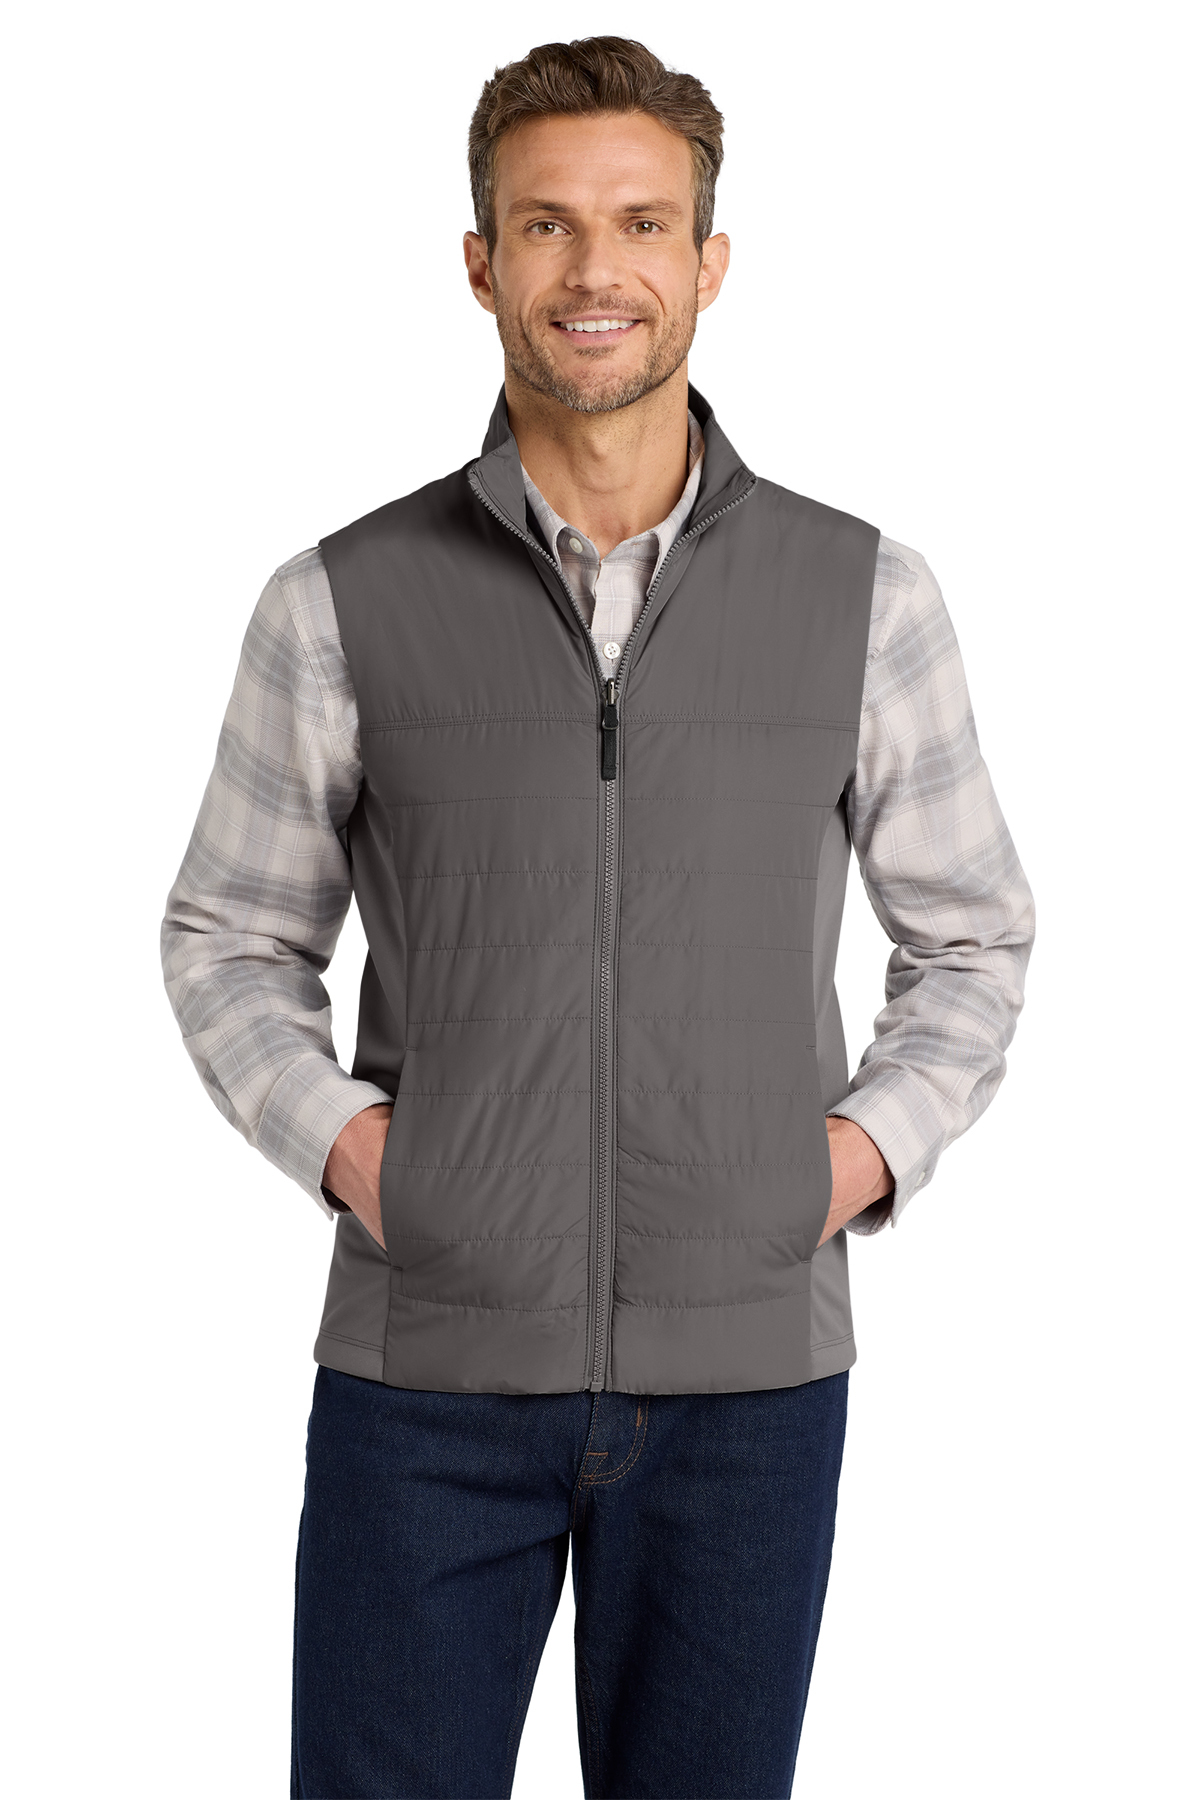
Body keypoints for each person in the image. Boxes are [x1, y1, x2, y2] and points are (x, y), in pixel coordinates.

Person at [161, 35, 1034, 1800]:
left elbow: (971, 939)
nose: (594, 269)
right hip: (426, 1377)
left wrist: (842, 1166)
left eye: (641, 223)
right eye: (546, 223)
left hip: (750, 1389)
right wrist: (370, 1163)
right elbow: (231, 938)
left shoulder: (866, 595)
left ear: (710, 262)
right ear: (480, 262)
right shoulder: (339, 601)